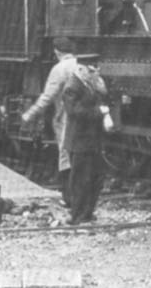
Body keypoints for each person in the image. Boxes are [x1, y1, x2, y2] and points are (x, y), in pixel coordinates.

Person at [20, 37, 79, 206]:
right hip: (85, 118)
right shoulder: (83, 66)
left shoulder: (59, 69)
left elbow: (48, 97)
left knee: (66, 155)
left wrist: (29, 114)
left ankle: (69, 198)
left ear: (56, 51)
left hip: (66, 117)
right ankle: (80, 196)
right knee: (81, 156)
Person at [60, 54, 111, 225]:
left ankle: (88, 212)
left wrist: (102, 90)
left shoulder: (90, 84)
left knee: (95, 178)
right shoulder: (72, 86)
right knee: (80, 180)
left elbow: (100, 99)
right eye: (91, 70)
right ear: (81, 69)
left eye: (97, 69)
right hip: (79, 141)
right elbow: (75, 111)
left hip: (92, 141)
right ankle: (78, 215)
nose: (95, 72)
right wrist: (100, 112)